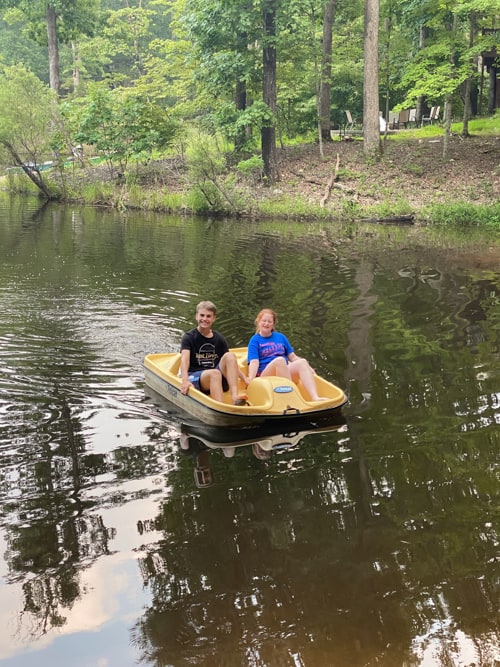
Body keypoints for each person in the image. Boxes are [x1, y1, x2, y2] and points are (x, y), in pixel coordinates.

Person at [247, 308, 326, 402]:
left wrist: (308, 367)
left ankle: (315, 397)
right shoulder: (254, 340)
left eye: (269, 321)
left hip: (284, 371)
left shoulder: (281, 337)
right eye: (264, 321)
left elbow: (292, 357)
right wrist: (251, 380)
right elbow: (254, 362)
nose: (266, 324)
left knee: (302, 362)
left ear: (273, 324)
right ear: (258, 321)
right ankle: (292, 398)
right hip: (265, 375)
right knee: (279, 361)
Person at [180, 300, 248, 404]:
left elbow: (232, 364)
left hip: (215, 375)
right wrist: (185, 381)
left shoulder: (219, 339)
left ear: (213, 318)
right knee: (214, 373)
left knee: (230, 356)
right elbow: (185, 360)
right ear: (196, 316)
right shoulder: (189, 337)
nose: (204, 319)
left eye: (208, 316)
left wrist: (245, 378)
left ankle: (234, 396)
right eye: (202, 315)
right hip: (195, 375)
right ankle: (219, 407)